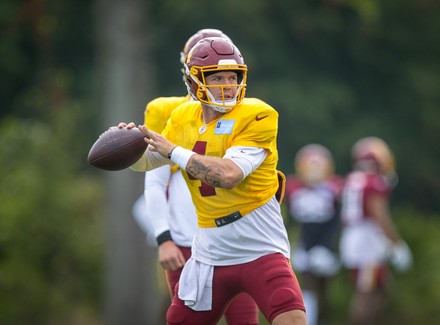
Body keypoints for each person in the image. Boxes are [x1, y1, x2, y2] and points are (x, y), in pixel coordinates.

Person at [119, 37, 306, 324]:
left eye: (233, 77)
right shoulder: (182, 116)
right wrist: (127, 145)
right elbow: (149, 163)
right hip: (210, 249)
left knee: (291, 317)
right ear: (194, 82)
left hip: (259, 243)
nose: (228, 85)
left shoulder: (257, 114)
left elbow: (229, 175)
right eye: (217, 78)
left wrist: (173, 150)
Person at [132, 29, 260, 324]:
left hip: (234, 241)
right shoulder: (169, 111)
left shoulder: (250, 113)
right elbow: (154, 179)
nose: (224, 83)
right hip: (185, 238)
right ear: (190, 73)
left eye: (228, 74)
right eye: (215, 74)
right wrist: (163, 237)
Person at [339, 136, 413, 325]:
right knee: (366, 291)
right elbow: (379, 215)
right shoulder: (374, 182)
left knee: (382, 288)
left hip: (353, 235)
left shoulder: (352, 179)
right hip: (366, 240)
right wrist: (396, 243)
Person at [284, 144, 344, 325]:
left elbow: (337, 220)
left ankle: (322, 319)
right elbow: (289, 220)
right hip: (302, 243)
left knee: (324, 288)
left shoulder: (335, 188)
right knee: (306, 284)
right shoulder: (292, 187)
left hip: (326, 245)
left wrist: (328, 247)